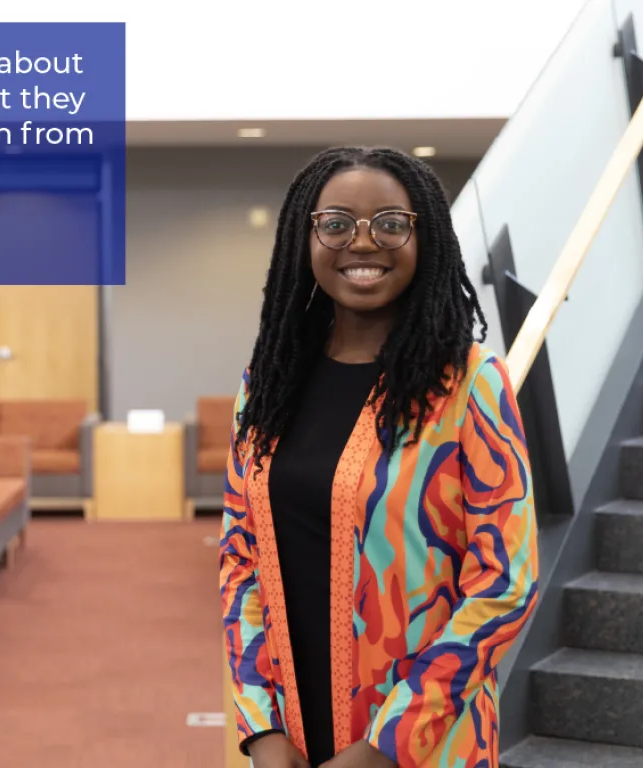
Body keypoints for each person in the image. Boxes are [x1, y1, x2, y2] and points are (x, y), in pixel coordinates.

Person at [219, 147, 540, 768]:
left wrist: (384, 747)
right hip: (292, 738)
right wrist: (262, 730)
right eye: (336, 224)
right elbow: (240, 561)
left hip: (425, 744)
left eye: (391, 224)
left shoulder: (470, 383)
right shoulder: (268, 386)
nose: (362, 243)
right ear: (304, 239)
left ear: (426, 241)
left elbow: (506, 581)